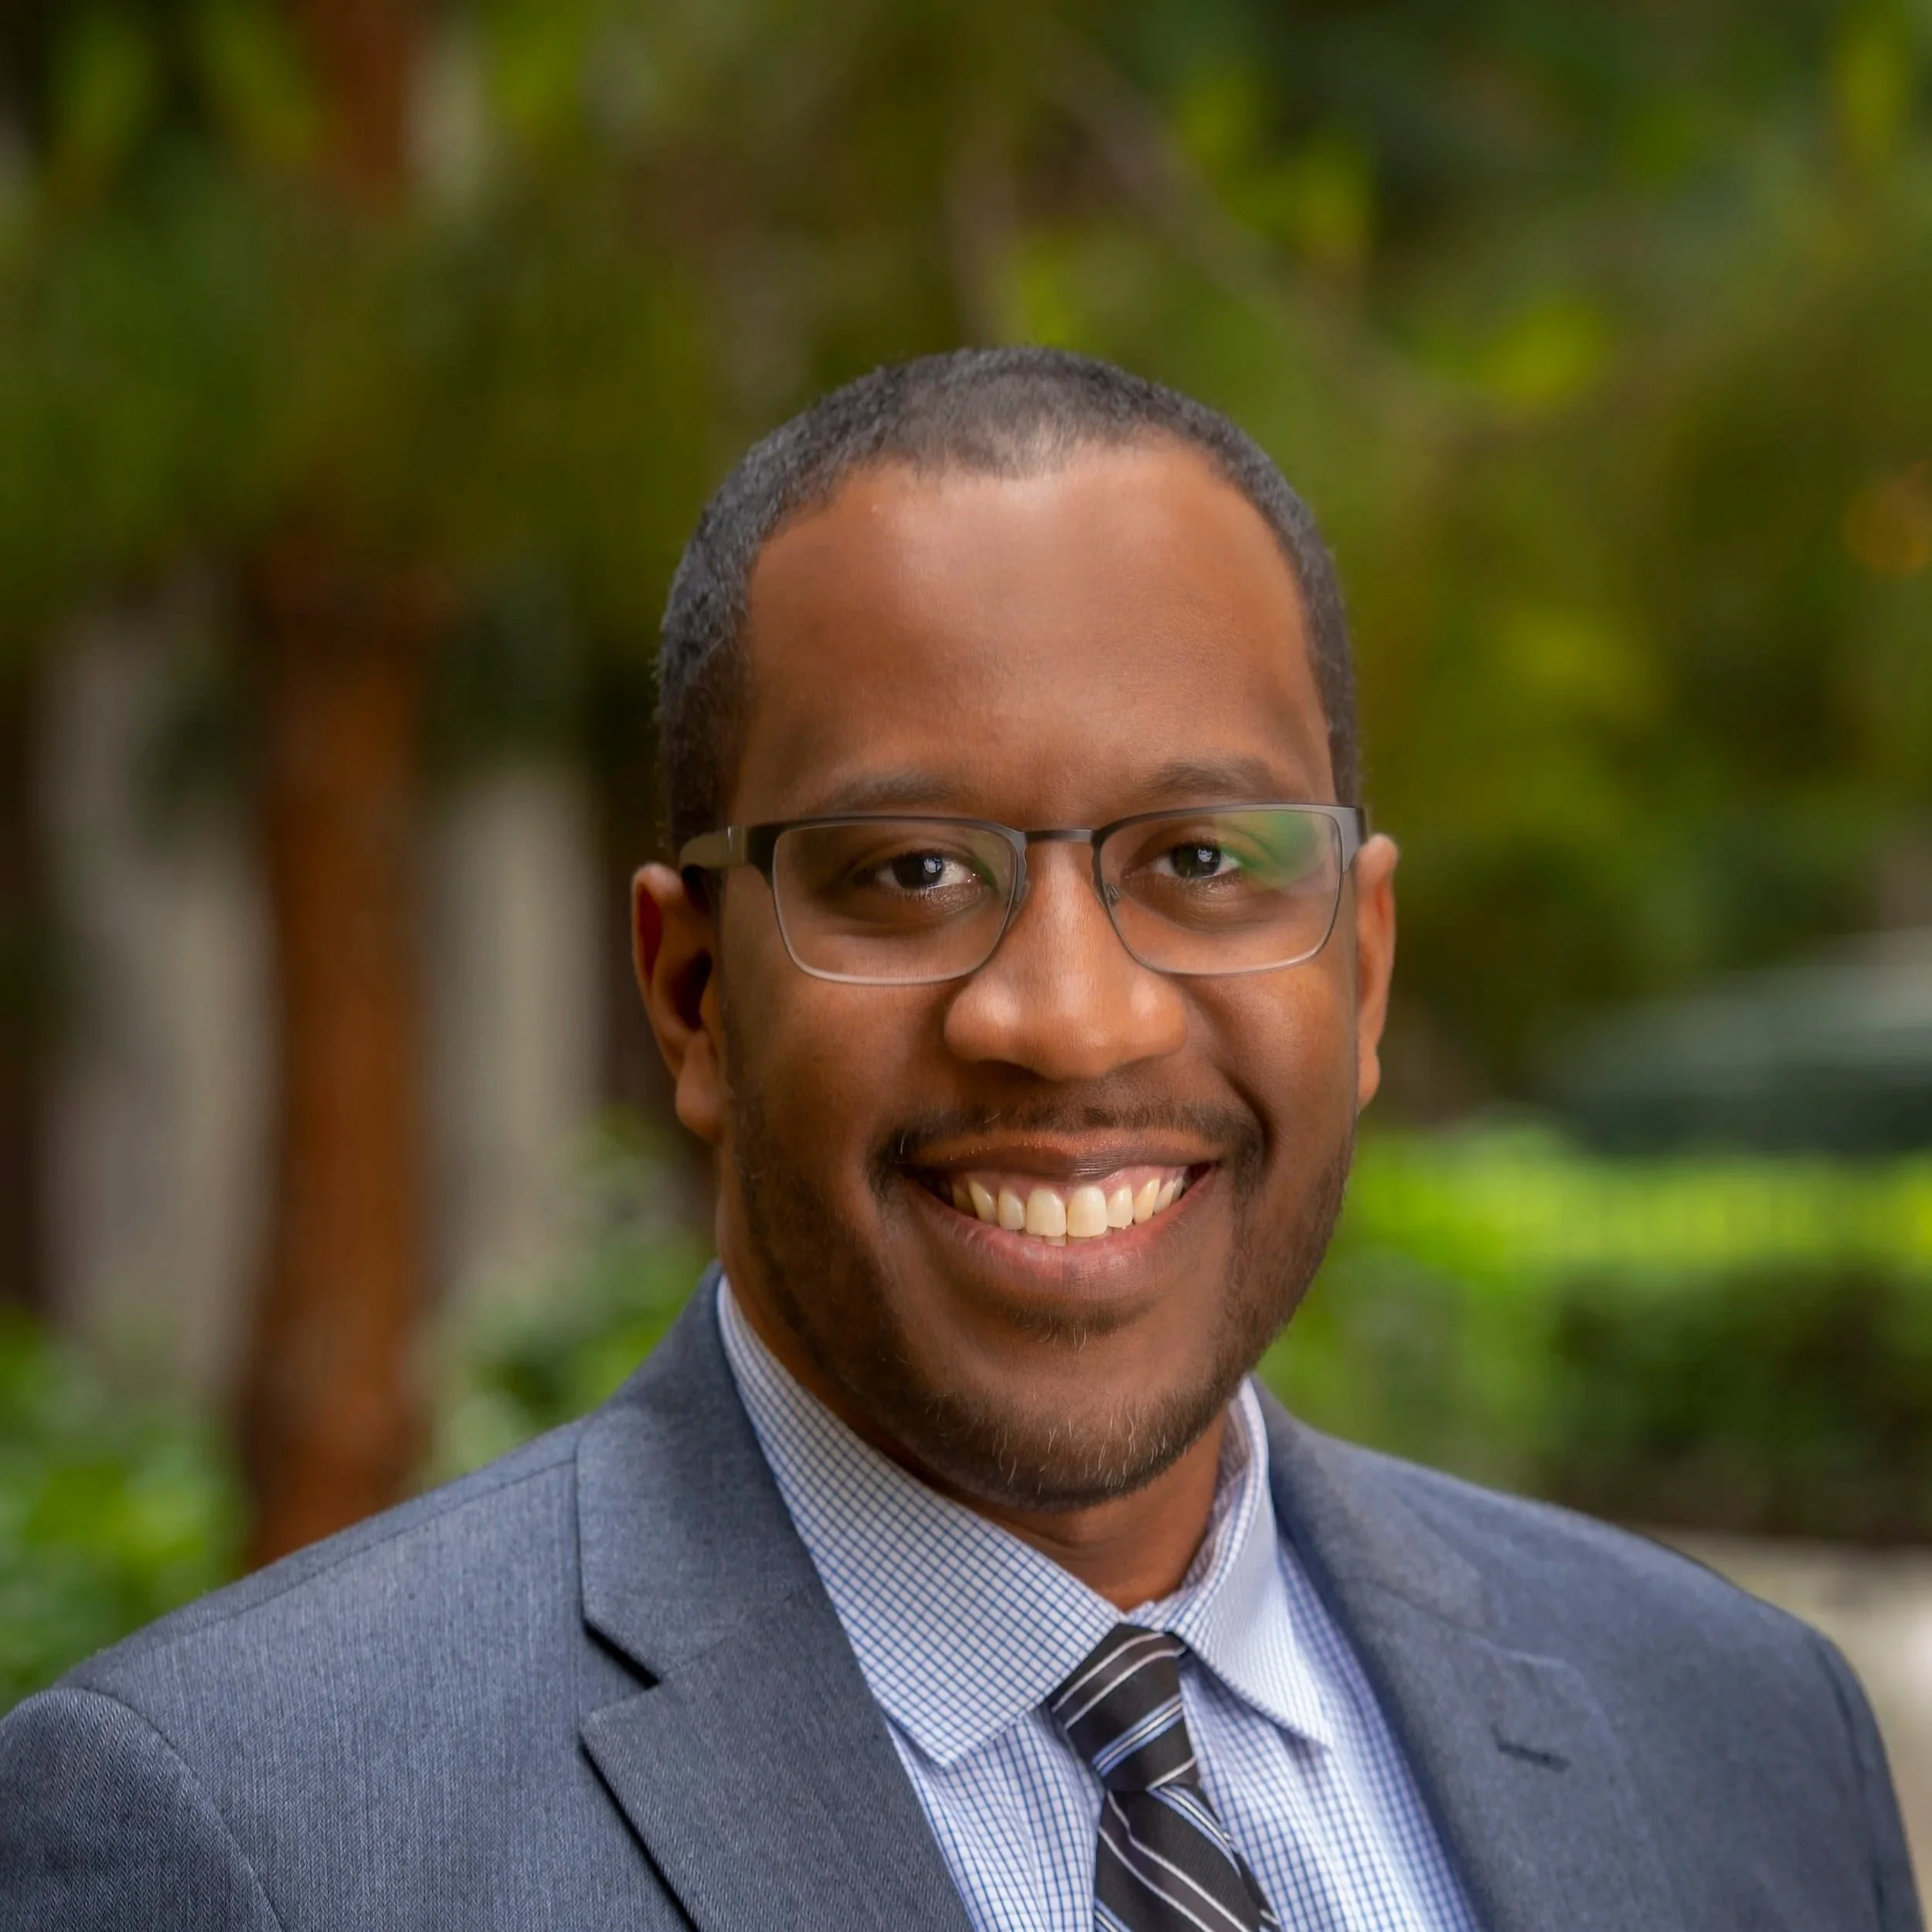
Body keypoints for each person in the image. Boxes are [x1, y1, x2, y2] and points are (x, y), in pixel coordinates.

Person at [0, 349, 1918, 1932]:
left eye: (1197, 860)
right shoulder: (239, 1842)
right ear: (688, 994)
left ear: (1366, 960)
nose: (1069, 1016)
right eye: (908, 872)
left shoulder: (1738, 1738)